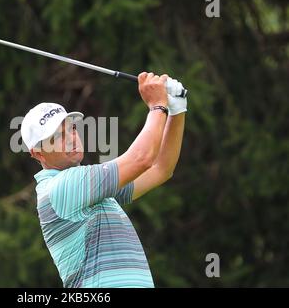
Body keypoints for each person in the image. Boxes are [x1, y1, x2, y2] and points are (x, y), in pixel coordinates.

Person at [20, 72, 187, 288]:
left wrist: (177, 110)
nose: (71, 138)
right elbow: (141, 159)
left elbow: (160, 169)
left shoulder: (93, 189)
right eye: (57, 137)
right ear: (38, 154)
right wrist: (157, 106)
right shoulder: (60, 188)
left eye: (70, 129)